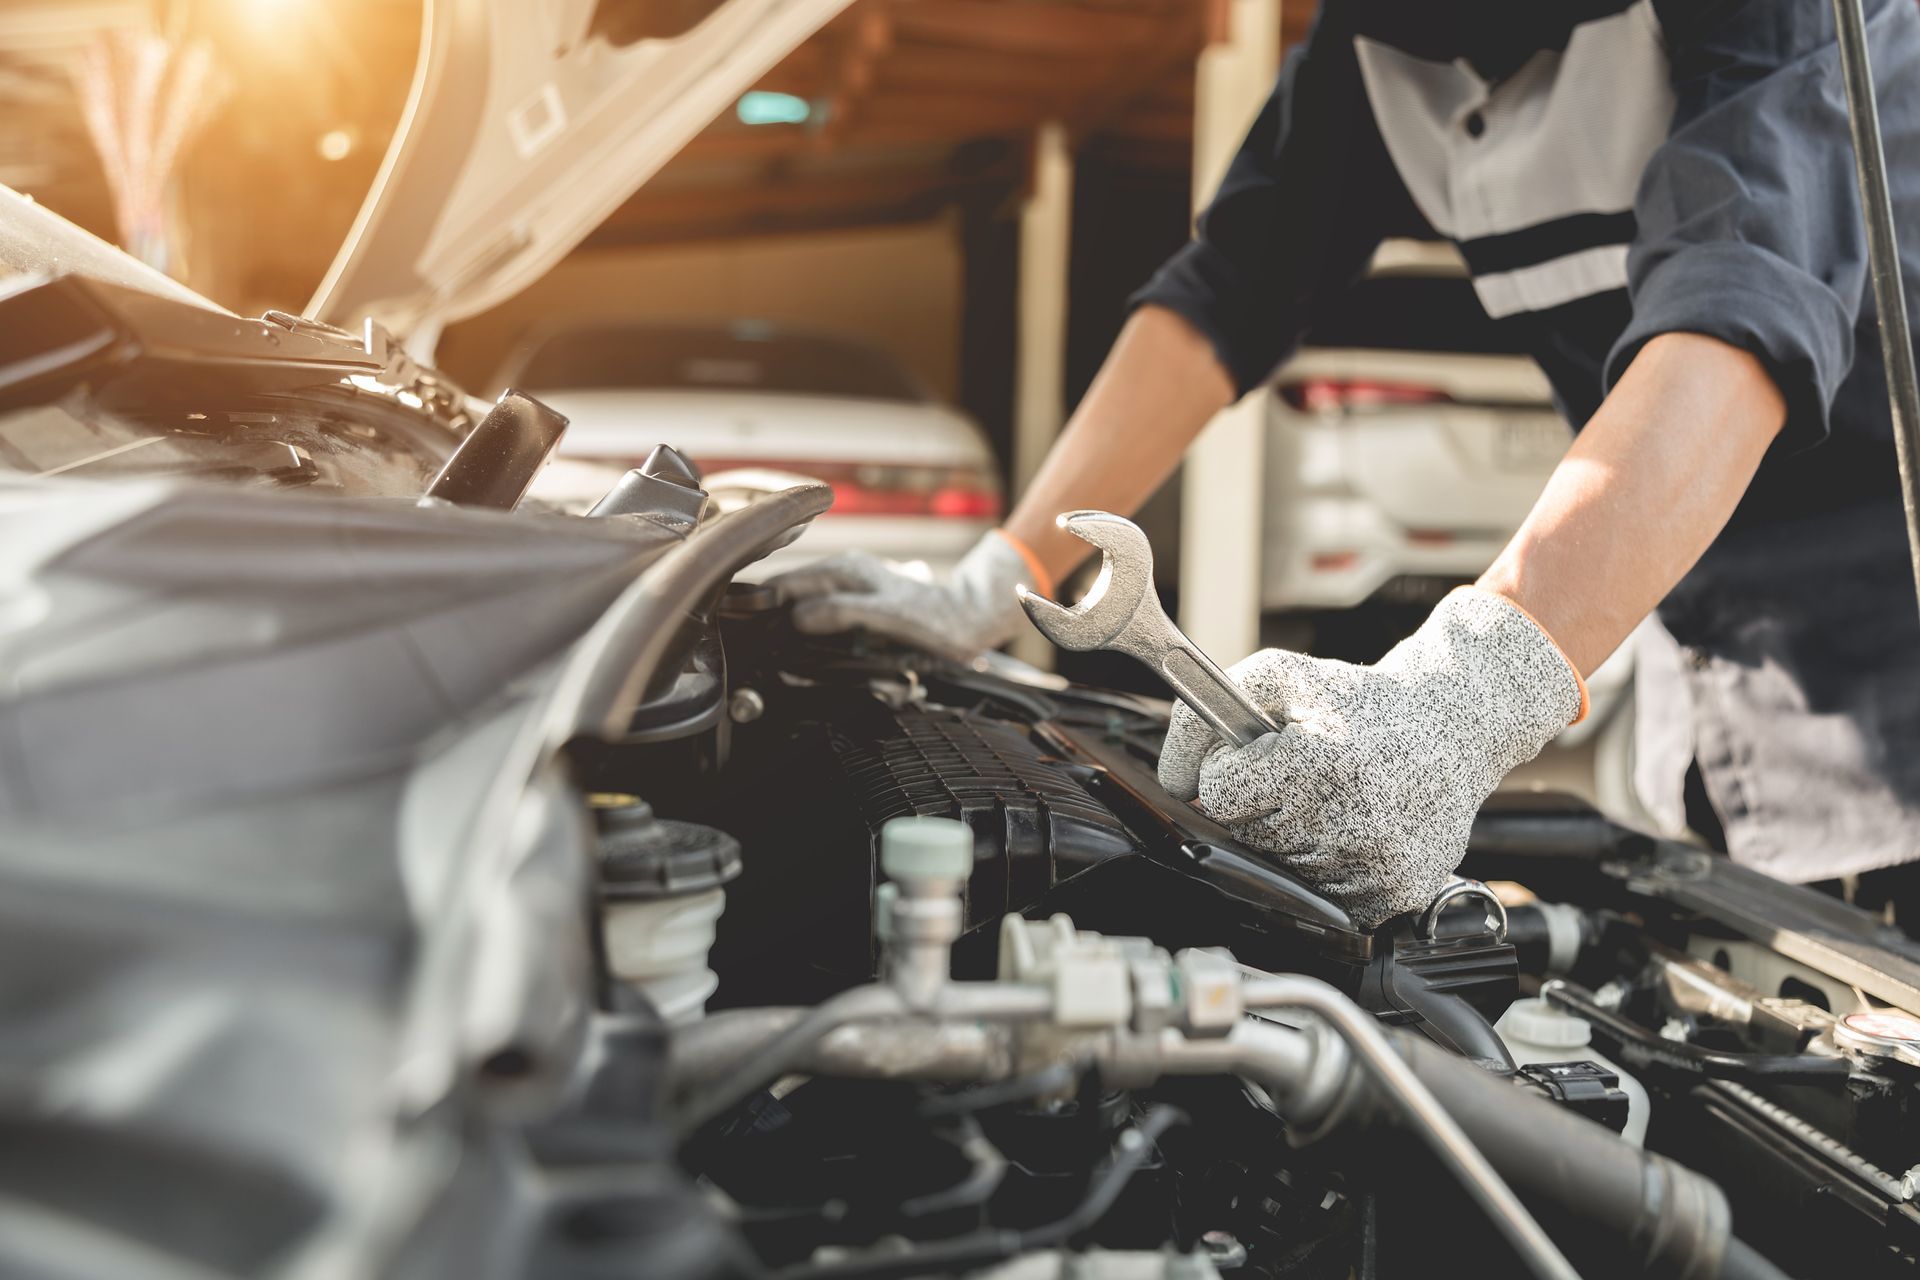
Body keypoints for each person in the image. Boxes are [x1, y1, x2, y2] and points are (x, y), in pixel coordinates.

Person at [770, 0, 1920, 929]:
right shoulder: (1375, 49)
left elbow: (1736, 322)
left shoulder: (1776, 16)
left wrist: (1465, 690)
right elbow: (1224, 293)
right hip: (1713, 648)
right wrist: (994, 577)